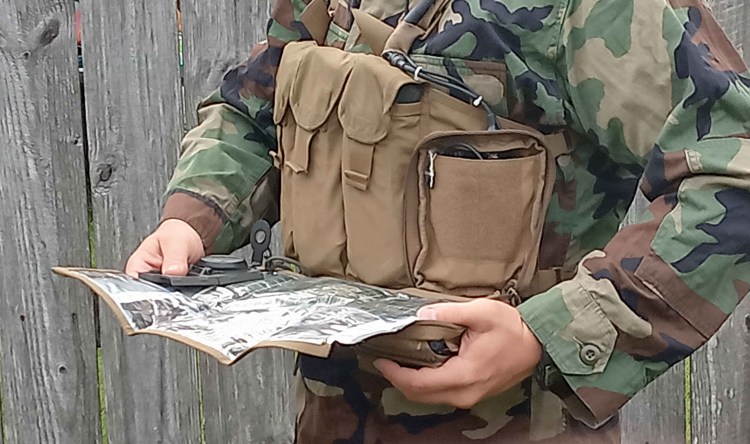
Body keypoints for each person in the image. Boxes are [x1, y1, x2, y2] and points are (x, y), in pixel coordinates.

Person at [126, 0, 750, 442]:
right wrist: (193, 218)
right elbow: (253, 106)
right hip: (329, 415)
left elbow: (735, 167)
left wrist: (549, 332)